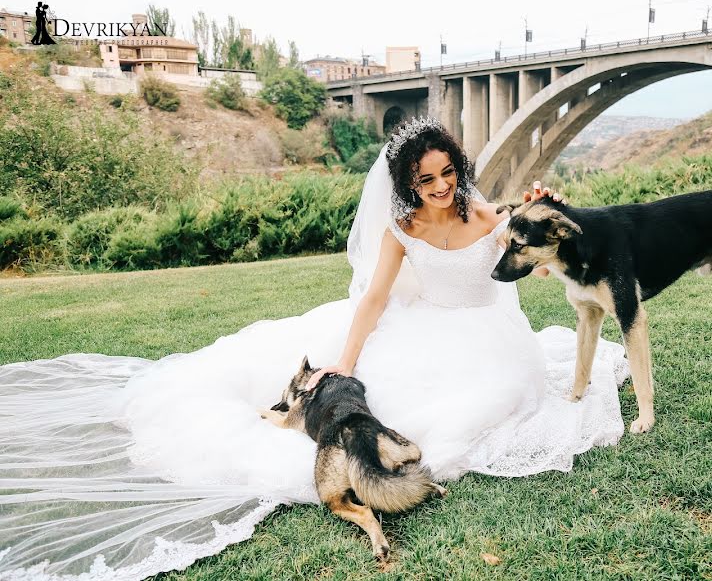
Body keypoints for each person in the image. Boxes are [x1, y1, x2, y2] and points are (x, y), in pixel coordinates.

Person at [0, 117, 629, 580]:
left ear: (459, 170)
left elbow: (537, 261)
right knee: (401, 405)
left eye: (448, 173)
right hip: (427, 330)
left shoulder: (485, 214)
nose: (441, 187)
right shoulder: (401, 231)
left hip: (488, 334)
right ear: (408, 184)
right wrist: (346, 364)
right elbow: (375, 302)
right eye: (426, 179)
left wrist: (542, 209)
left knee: (495, 397)